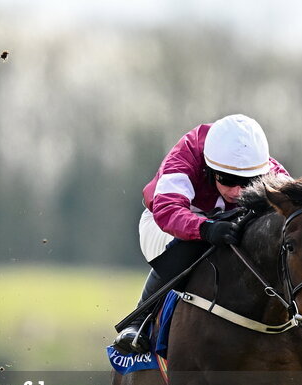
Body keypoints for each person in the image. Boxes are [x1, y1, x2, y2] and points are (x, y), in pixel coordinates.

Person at [112, 114, 290, 354]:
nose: (237, 191)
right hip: (166, 224)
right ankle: (138, 321)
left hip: (228, 222)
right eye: (228, 180)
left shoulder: (267, 169)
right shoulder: (186, 156)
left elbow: (294, 211)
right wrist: (205, 228)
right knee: (194, 242)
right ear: (209, 168)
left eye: (248, 182)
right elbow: (167, 211)